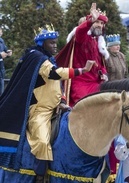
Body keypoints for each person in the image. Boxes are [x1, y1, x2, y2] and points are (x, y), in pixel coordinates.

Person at [0, 24, 94, 182]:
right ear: (41, 43)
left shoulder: (48, 59)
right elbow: (54, 74)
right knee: (43, 142)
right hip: (40, 111)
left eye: (56, 42)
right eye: (51, 42)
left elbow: (57, 85)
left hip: (57, 108)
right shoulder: (38, 58)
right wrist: (82, 70)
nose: (55, 45)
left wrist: (63, 101)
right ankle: (40, 175)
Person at [56, 2, 109, 106]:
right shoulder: (81, 38)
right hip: (81, 84)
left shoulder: (98, 41)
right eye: (97, 22)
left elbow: (101, 65)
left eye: (102, 23)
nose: (100, 25)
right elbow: (80, 31)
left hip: (97, 84)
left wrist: (104, 74)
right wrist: (90, 21)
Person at [0, 27, 12, 95]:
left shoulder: (1, 41)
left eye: (1, 31)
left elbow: (5, 49)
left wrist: (8, 52)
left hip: (1, 65)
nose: (1, 33)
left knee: (1, 81)